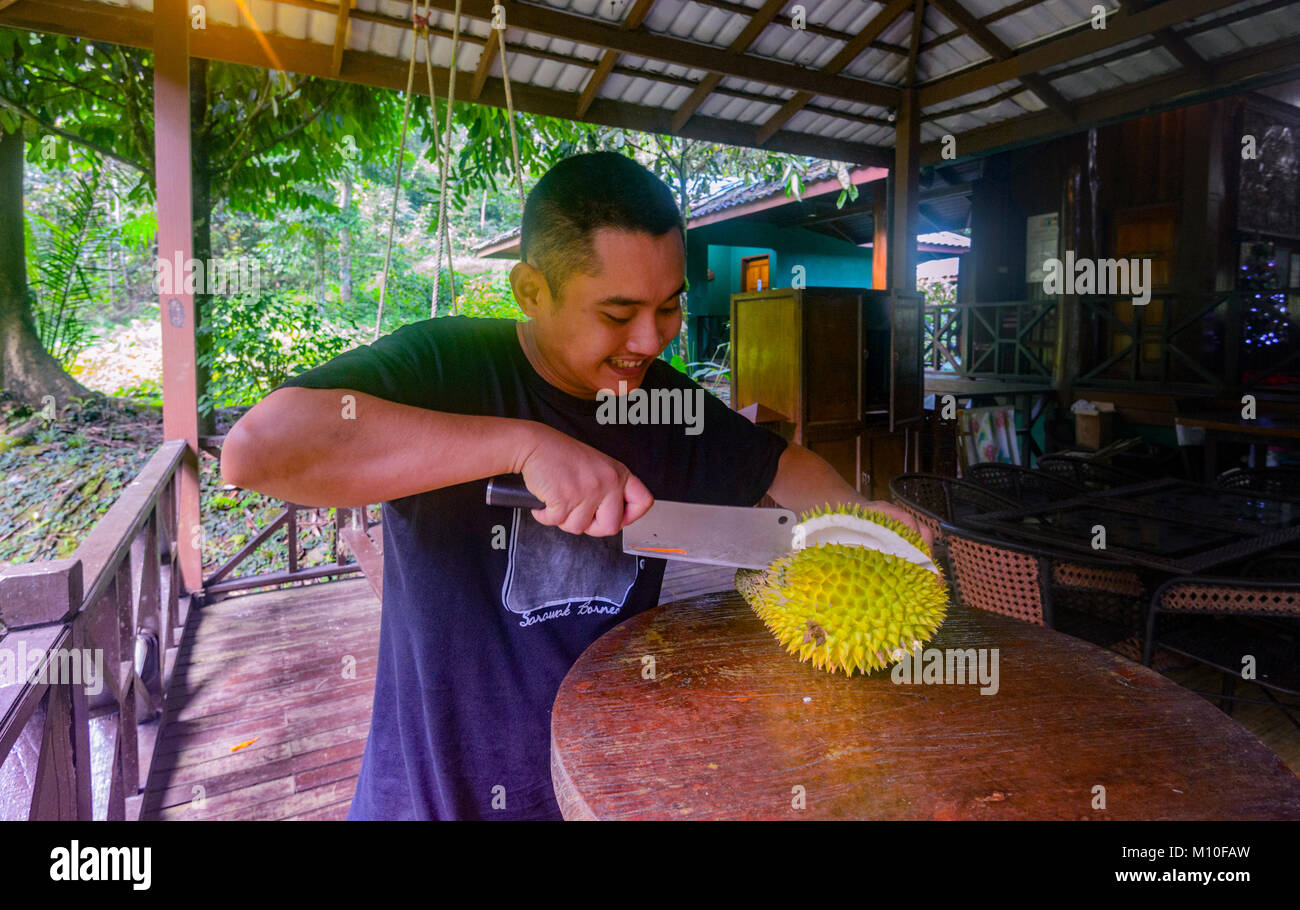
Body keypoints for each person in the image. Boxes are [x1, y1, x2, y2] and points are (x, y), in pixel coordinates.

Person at [221, 151, 930, 820]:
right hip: (434, 795)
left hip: (596, 784)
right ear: (532, 291)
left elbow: (777, 464)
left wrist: (859, 514)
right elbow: (257, 451)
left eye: (669, 308)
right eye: (618, 315)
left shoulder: (664, 403)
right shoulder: (448, 366)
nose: (652, 341)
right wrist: (520, 444)